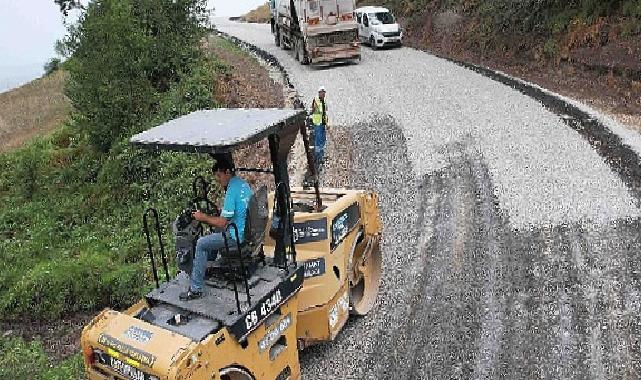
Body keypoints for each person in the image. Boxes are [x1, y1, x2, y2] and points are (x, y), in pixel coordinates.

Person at [179, 158, 253, 301]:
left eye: (219, 176)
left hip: (235, 235)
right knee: (212, 235)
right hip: (245, 230)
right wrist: (221, 211)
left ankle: (195, 289)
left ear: (227, 172)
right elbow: (238, 209)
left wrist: (203, 217)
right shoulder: (241, 184)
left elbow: (222, 222)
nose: (218, 180)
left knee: (201, 243)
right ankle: (208, 268)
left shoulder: (231, 191)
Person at [311, 86, 328, 170]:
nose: (324, 94)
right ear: (319, 93)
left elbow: (324, 112)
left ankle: (321, 156)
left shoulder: (323, 101)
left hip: (322, 123)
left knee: (323, 140)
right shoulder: (316, 100)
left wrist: (326, 122)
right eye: (322, 92)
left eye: (324, 92)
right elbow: (315, 110)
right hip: (318, 123)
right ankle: (318, 159)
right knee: (318, 140)